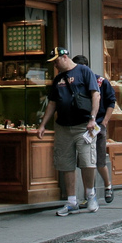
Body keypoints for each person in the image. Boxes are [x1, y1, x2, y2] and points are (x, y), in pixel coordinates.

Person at [38, 47, 101, 216]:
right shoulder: (58, 78)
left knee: (88, 160)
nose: (56, 65)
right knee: (66, 163)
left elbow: (96, 94)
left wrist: (92, 118)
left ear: (65, 57)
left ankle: (90, 195)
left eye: (56, 61)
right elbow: (52, 103)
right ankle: (72, 201)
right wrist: (43, 124)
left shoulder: (84, 71)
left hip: (83, 125)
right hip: (63, 126)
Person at [73, 55, 117, 206]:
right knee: (86, 163)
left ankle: (108, 186)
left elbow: (111, 101)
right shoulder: (76, 83)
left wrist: (104, 122)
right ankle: (89, 195)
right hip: (81, 127)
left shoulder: (101, 81)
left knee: (99, 161)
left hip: (97, 126)